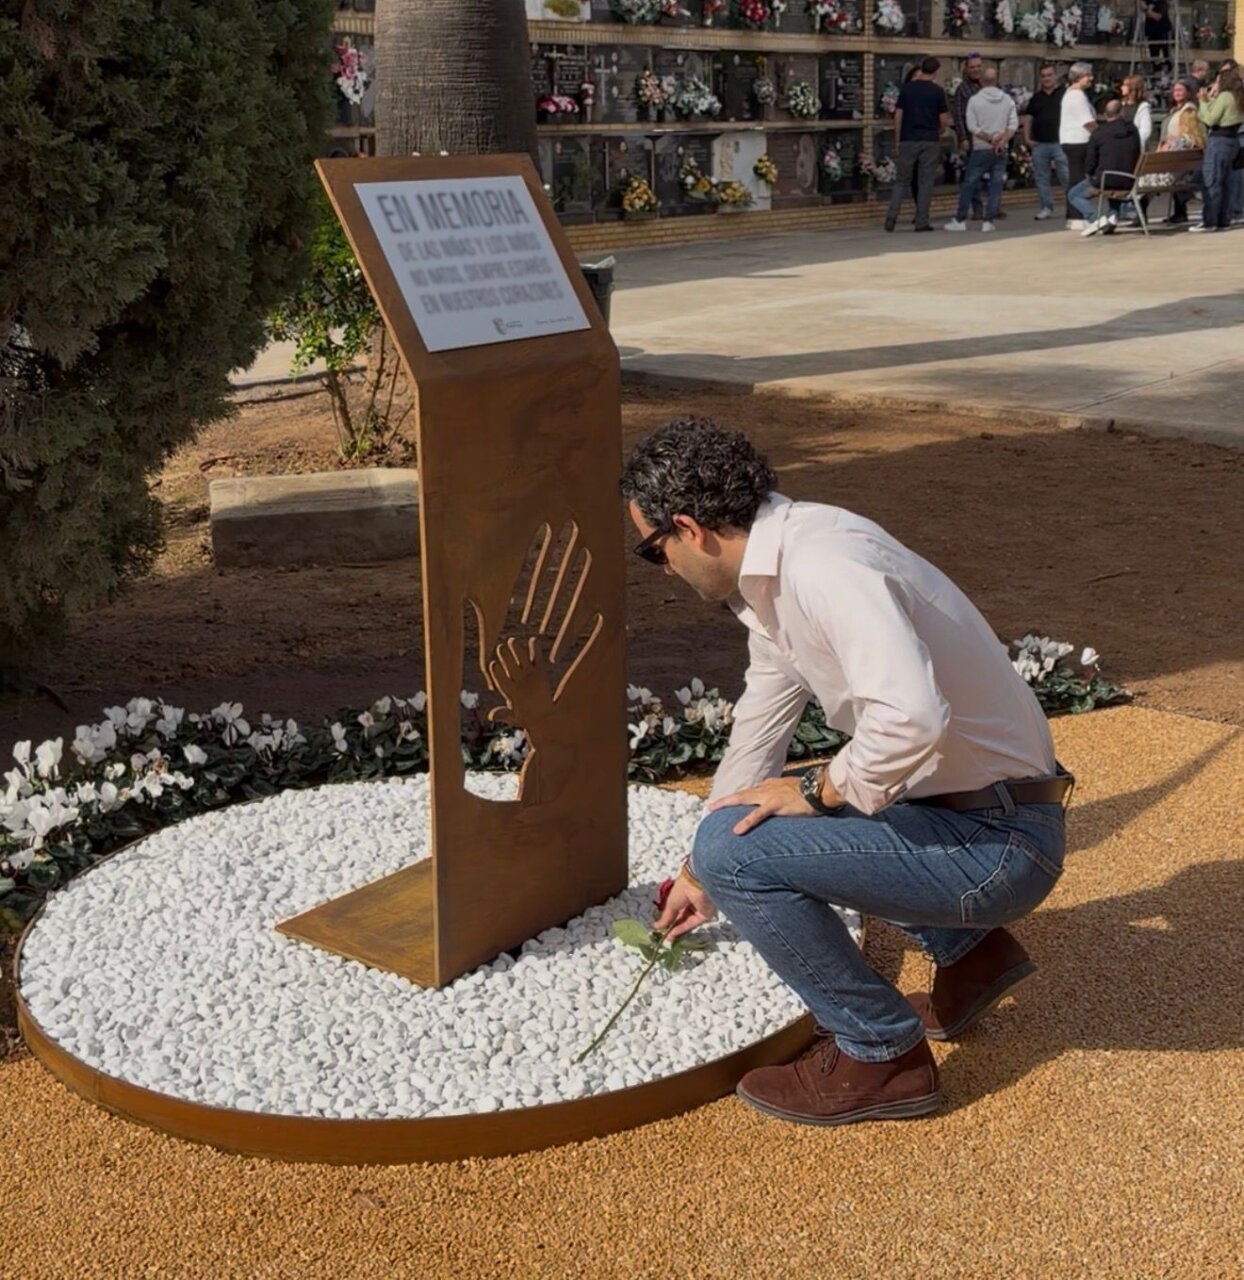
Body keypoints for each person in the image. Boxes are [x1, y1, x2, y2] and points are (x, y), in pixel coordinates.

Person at [622, 419, 1071, 1128]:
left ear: (689, 529)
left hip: (1000, 843)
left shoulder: (823, 566)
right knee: (742, 829)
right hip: (983, 813)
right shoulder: (779, 573)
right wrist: (697, 874)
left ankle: (881, 1054)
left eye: (654, 552)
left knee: (746, 845)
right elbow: (759, 732)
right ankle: (972, 956)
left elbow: (911, 721)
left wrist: (805, 798)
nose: (665, 569)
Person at [944, 66, 1016, 233]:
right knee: (996, 185)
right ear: (996, 80)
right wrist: (1002, 139)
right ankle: (988, 221)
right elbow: (1013, 125)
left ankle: (960, 219)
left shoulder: (975, 100)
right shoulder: (1007, 100)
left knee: (969, 183)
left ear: (981, 81)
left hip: (981, 148)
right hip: (1000, 149)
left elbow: (972, 126)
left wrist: (989, 139)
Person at [885, 57, 949, 233]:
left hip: (908, 139)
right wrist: (939, 131)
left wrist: (898, 139)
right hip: (929, 140)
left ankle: (891, 217)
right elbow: (944, 119)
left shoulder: (907, 89)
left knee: (901, 180)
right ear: (935, 71)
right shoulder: (937, 92)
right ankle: (921, 221)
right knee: (925, 182)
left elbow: (898, 115)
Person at [1068, 99, 1141, 236]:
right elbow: (1137, 152)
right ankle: (1113, 216)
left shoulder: (1098, 132)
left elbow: (1090, 161)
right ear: (1122, 112)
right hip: (1128, 179)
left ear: (1105, 115)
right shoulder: (1133, 130)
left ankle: (1095, 219)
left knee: (1073, 194)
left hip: (1105, 179)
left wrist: (1089, 173)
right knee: (1114, 179)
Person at [1145, 77, 1206, 225]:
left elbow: (1187, 134)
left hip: (1175, 157)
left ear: (1188, 92)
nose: (1177, 93)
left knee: (1150, 176)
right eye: (1175, 90)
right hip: (1176, 160)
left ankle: (1141, 214)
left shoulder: (1188, 111)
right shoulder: (1176, 110)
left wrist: (1170, 144)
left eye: (1180, 90)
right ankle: (1179, 211)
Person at [951, 52, 1004, 219]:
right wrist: (962, 138)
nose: (975, 69)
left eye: (978, 66)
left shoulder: (992, 86)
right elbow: (958, 115)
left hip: (994, 137)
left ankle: (994, 207)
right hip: (973, 138)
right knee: (973, 176)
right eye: (972, 67)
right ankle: (978, 210)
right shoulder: (963, 89)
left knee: (996, 175)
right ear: (967, 69)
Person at [1192, 67, 1244, 232]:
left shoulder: (1225, 96)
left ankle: (1210, 221)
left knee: (1212, 181)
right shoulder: (1239, 96)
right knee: (1226, 182)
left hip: (1219, 140)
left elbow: (1210, 119)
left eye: (1217, 81)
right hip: (1233, 140)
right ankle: (1223, 219)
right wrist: (1212, 97)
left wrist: (1203, 101)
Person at [1021, 64, 1068, 220]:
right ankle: (1046, 207)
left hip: (1060, 142)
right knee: (1041, 178)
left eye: (1049, 75)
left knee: (1066, 176)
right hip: (1040, 144)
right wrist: (1027, 138)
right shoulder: (1036, 98)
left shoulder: (1065, 94)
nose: (1047, 78)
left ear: (1055, 76)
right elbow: (1028, 118)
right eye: (1044, 76)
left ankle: (1073, 206)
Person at [1059, 62, 1098, 229]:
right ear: (1079, 77)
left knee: (1077, 177)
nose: (1091, 78)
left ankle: (1075, 216)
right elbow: (1088, 122)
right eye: (1088, 75)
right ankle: (1075, 217)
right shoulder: (1077, 96)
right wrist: (1102, 134)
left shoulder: (1073, 94)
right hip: (1077, 141)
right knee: (1077, 179)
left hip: (1072, 140)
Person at [1143, 1, 1173, 71]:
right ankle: (1156, 69)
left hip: (1162, 31)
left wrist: (1147, 10)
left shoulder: (1162, 3)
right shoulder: (1148, 1)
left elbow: (1157, 17)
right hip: (1151, 32)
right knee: (1154, 55)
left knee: (1166, 53)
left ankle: (1168, 67)